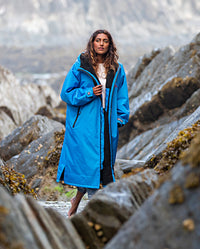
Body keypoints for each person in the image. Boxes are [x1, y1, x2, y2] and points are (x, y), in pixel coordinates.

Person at [56, 29, 129, 217]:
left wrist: (121, 117)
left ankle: (77, 201)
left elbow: (122, 96)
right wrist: (89, 93)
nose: (102, 44)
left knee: (103, 164)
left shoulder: (117, 68)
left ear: (110, 44)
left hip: (106, 123)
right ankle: (96, 212)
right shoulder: (81, 65)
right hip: (85, 125)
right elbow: (66, 93)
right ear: (93, 43)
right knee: (89, 164)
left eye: (105, 41)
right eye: (98, 40)